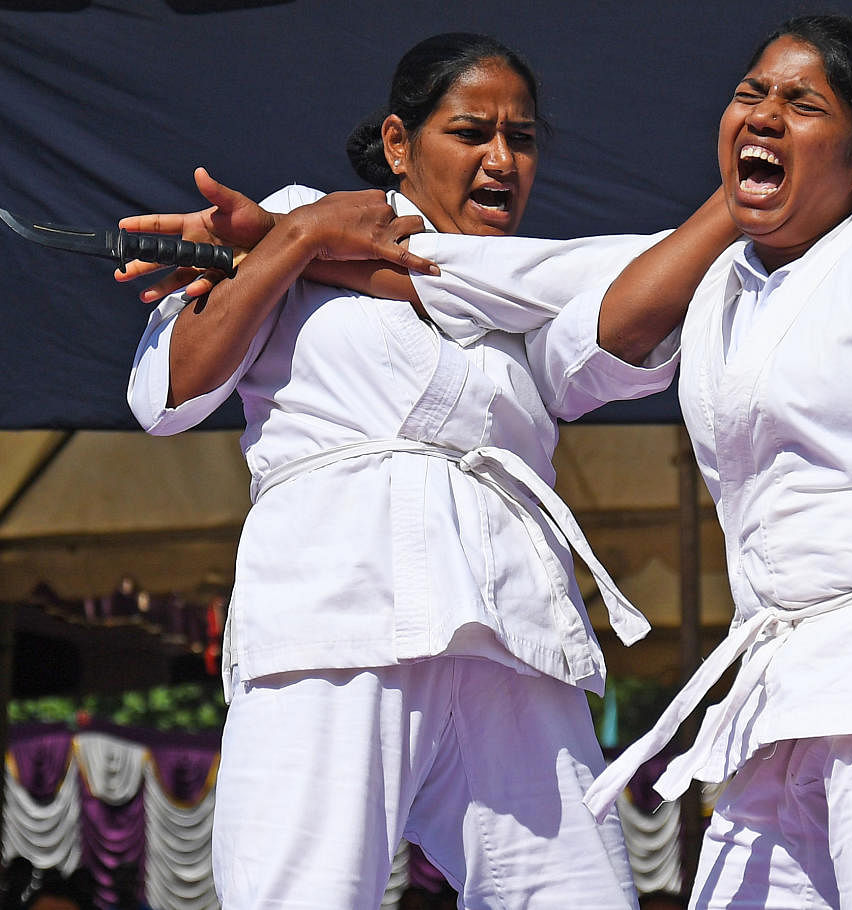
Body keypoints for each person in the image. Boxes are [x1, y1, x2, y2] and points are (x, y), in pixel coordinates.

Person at [304, 14, 852, 909]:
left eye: (802, 103)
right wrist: (273, 250)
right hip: (782, 701)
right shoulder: (719, 287)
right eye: (751, 94)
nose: (764, 114)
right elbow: (491, 283)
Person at [122, 32, 729, 909]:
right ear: (400, 143)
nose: (501, 158)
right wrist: (294, 243)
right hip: (334, 618)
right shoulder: (296, 214)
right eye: (472, 131)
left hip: (511, 637)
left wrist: (737, 214)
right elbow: (167, 395)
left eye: (520, 139)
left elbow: (625, 306)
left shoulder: (533, 295)